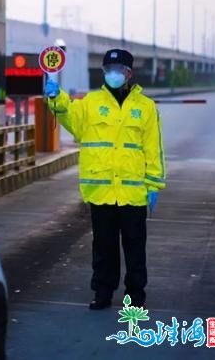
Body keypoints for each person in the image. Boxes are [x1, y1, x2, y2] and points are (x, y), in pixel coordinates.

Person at [45, 48, 166, 310]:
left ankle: (135, 295)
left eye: (118, 70)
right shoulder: (90, 102)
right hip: (101, 191)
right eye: (108, 70)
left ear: (128, 73)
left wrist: (154, 185)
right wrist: (57, 97)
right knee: (103, 245)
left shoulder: (145, 107)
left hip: (133, 191)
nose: (113, 74)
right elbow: (71, 119)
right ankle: (102, 291)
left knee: (135, 246)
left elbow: (153, 148)